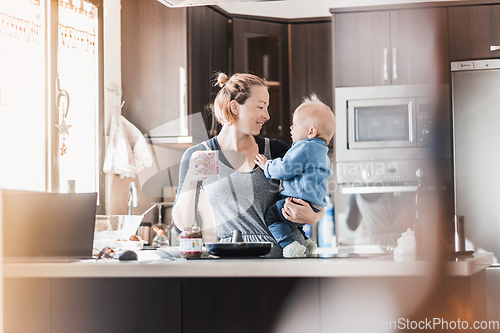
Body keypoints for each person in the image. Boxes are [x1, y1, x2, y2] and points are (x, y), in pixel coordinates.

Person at [171, 73, 324, 257]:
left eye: (267, 107)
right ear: (235, 107)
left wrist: (315, 216)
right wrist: (190, 180)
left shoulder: (276, 151)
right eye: (260, 107)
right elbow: (183, 226)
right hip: (232, 263)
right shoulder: (200, 156)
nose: (267, 115)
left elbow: (314, 191)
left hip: (286, 261)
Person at [254, 96, 335, 257]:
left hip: (298, 200)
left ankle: (290, 245)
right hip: (314, 203)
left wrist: (267, 166)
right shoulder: (322, 151)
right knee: (291, 222)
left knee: (273, 216)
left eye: (296, 124)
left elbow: (285, 168)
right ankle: (306, 242)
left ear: (311, 131)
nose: (291, 127)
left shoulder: (304, 147)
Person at [345, 192, 414, 246]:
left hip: (375, 246)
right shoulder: (391, 182)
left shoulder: (356, 190)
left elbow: (351, 225)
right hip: (398, 243)